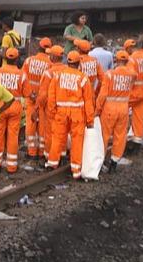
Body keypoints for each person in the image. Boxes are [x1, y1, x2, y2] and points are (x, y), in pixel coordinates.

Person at [44, 51, 95, 179]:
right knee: (77, 141)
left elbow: (51, 95)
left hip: (61, 112)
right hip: (77, 113)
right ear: (78, 63)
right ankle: (76, 170)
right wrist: (90, 120)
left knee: (57, 138)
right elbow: (88, 101)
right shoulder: (83, 78)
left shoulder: (58, 76)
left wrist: (52, 111)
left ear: (68, 62)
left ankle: (52, 163)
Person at [97, 50, 134, 171]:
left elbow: (102, 95)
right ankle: (114, 161)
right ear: (127, 61)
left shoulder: (109, 74)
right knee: (120, 136)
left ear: (116, 60)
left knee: (104, 136)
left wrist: (97, 110)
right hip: (123, 108)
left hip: (109, 108)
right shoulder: (132, 75)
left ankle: (100, 162)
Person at [0, 49, 26, 173]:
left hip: (0, 106)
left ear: (5, 58)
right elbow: (25, 93)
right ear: (17, 59)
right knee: (13, 135)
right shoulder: (22, 74)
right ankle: (11, 166)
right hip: (15, 106)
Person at [22, 38, 54, 158]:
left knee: (30, 125)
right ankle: (41, 152)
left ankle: (31, 151)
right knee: (43, 127)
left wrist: (30, 94)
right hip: (43, 101)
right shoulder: (50, 64)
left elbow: (23, 79)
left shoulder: (28, 61)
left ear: (38, 48)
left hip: (31, 98)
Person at [34, 45, 66, 156]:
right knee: (62, 132)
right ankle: (61, 154)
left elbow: (43, 95)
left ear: (53, 56)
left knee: (49, 133)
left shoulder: (48, 73)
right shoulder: (68, 71)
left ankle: (49, 156)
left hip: (50, 108)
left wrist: (37, 108)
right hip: (64, 107)